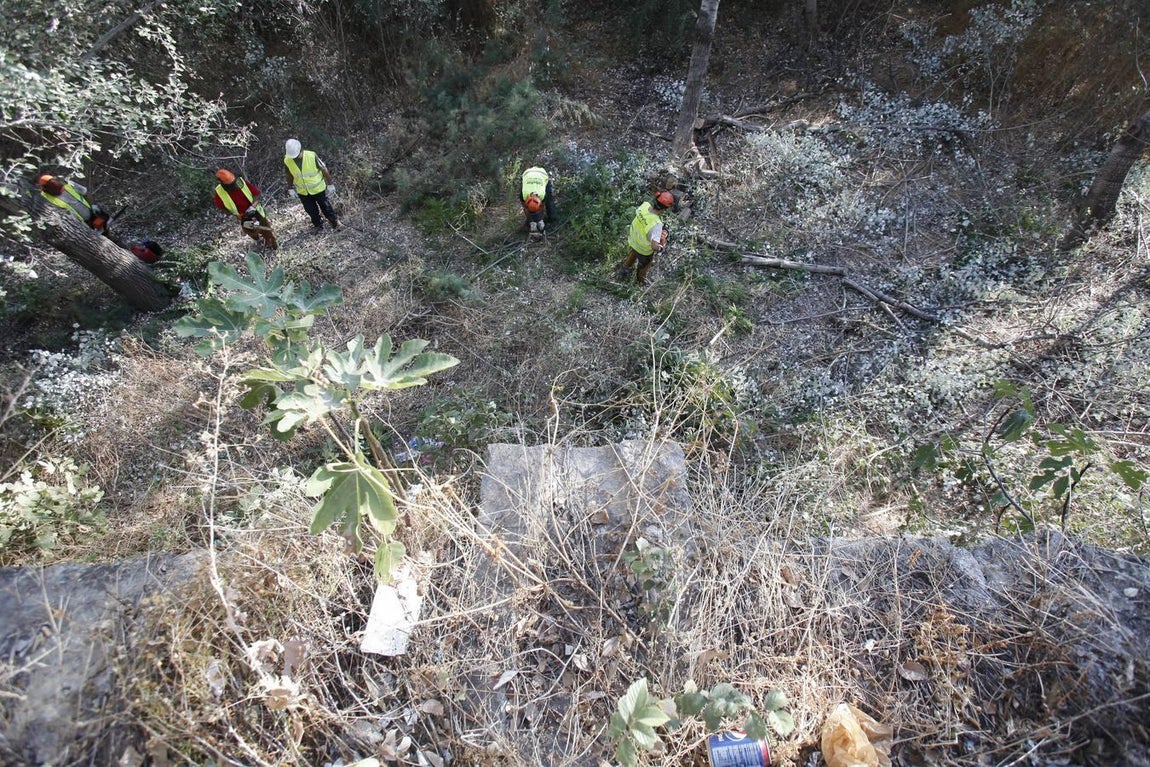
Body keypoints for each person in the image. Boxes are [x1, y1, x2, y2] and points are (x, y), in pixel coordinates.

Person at [615, 191, 674, 285]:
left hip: (633, 241)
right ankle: (640, 282)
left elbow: (645, 223)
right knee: (645, 265)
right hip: (644, 250)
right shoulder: (656, 224)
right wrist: (660, 248)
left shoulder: (644, 206)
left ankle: (624, 269)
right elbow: (654, 246)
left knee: (634, 252)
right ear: (666, 208)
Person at [212, 168, 278, 249]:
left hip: (256, 211)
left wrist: (252, 207)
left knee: (266, 230)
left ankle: (272, 244)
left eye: (234, 183)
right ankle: (258, 239)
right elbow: (221, 207)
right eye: (231, 185)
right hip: (242, 216)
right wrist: (235, 215)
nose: (235, 185)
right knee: (252, 232)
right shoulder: (219, 192)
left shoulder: (241, 183)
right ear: (223, 185)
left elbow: (256, 194)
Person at [283, 138, 339, 232]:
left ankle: (334, 223)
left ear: (300, 149)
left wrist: (330, 184)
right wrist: (290, 188)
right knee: (311, 210)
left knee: (326, 207)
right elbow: (289, 175)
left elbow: (324, 169)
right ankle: (318, 225)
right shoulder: (287, 160)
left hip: (318, 188)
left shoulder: (311, 155)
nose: (294, 157)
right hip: (303, 191)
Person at [36, 174, 111, 236]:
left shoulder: (68, 184)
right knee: (98, 238)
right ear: (46, 188)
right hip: (81, 224)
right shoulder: (46, 199)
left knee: (106, 227)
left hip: (93, 213)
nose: (56, 185)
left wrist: (93, 205)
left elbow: (85, 193)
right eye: (52, 185)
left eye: (55, 183)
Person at [520, 166, 554, 233]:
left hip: (542, 175)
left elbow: (542, 207)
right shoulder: (523, 195)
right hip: (527, 173)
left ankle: (552, 218)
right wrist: (531, 222)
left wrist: (541, 220)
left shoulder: (543, 195)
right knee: (530, 215)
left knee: (549, 201)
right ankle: (531, 221)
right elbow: (525, 208)